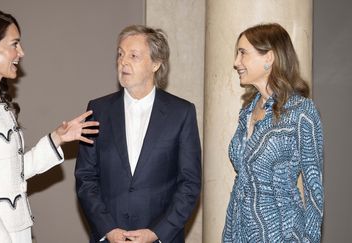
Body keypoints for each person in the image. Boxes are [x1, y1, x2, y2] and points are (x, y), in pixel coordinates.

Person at [0, 10, 99, 243]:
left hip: (16, 227)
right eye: (15, 44)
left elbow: (13, 172)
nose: (21, 53)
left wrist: (57, 139)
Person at [75, 25, 201, 243]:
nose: (123, 62)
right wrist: (109, 230)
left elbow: (189, 184)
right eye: (120, 54)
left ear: (156, 63)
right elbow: (85, 178)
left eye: (133, 56)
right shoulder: (97, 110)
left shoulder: (181, 113)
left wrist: (157, 232)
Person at [222, 23, 324, 242]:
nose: (236, 62)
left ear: (269, 57)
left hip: (282, 234)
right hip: (237, 232)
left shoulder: (301, 112)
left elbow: (314, 190)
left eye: (242, 53)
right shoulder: (247, 110)